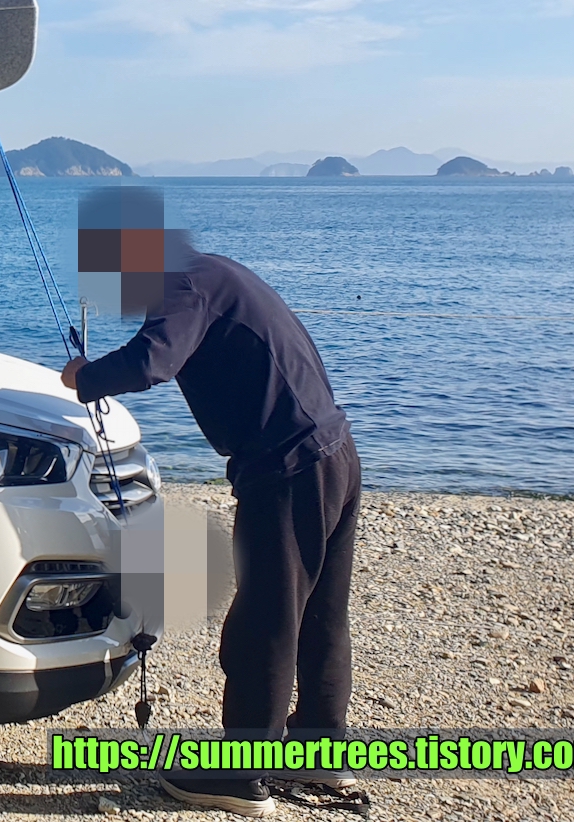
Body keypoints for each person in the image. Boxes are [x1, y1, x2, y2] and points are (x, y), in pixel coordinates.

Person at [63, 237, 361, 818]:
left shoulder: (183, 283)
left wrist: (86, 376)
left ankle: (240, 776)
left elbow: (151, 361)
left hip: (288, 468)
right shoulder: (213, 274)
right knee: (320, 613)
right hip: (334, 454)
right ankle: (319, 748)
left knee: (264, 620)